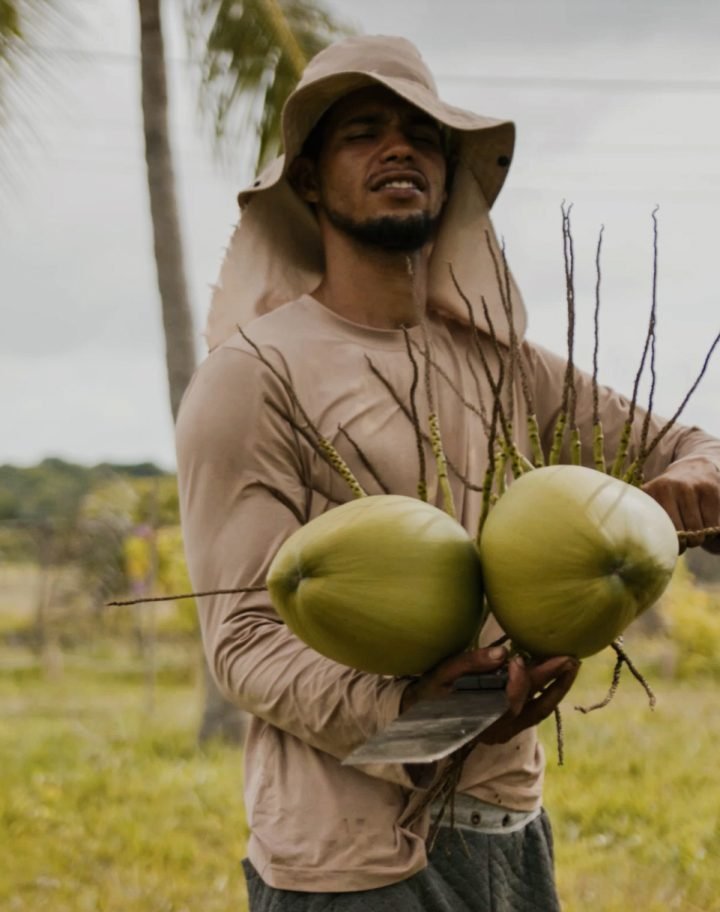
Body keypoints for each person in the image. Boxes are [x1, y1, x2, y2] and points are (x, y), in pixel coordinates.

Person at [176, 35, 720, 911]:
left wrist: (698, 480)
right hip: (350, 862)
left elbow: (684, 444)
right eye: (363, 131)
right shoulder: (253, 375)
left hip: (510, 828)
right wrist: (413, 711)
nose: (400, 148)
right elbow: (241, 640)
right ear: (309, 180)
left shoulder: (503, 363)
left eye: (422, 135)